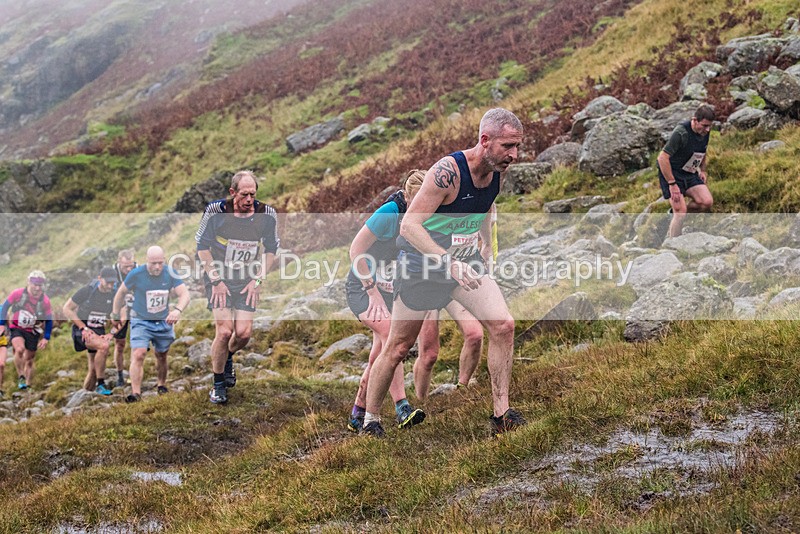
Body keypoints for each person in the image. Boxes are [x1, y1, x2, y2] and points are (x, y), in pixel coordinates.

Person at [362, 108, 527, 437]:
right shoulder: (446, 172)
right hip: (422, 267)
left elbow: (484, 208)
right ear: (485, 140)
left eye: (518, 146)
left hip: (465, 264)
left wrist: (486, 247)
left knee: (503, 325)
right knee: (397, 346)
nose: (515, 155)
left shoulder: (497, 170)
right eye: (509, 146)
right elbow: (409, 226)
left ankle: (501, 412)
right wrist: (447, 261)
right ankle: (370, 420)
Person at [345, 170, 484, 432]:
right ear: (408, 197)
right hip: (364, 286)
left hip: (395, 286)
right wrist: (372, 289)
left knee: (379, 352)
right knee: (390, 338)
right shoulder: (390, 212)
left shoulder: (430, 213)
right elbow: (355, 250)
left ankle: (358, 412)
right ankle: (402, 407)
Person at [196, 170, 279, 404]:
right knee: (224, 332)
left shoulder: (267, 214)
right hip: (218, 277)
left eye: (253, 194)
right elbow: (202, 248)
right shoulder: (216, 211)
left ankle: (228, 356)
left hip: (246, 280)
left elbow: (271, 250)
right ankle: (218, 384)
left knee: (242, 335)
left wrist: (258, 280)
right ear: (233, 192)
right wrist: (216, 281)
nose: (249, 200)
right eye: (244, 195)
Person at [111, 246, 190, 403]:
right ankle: (136, 393)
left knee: (161, 355)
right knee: (138, 353)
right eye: (153, 263)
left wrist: (177, 310)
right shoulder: (136, 274)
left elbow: (185, 293)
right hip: (141, 320)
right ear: (147, 261)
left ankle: (161, 385)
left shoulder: (170, 273)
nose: (157, 267)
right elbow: (121, 293)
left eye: (160, 263)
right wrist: (115, 313)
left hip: (162, 321)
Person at [657, 104, 715, 238]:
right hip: (672, 173)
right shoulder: (681, 133)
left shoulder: (704, 132)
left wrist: (703, 170)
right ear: (695, 120)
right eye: (705, 125)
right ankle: (673, 244)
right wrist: (672, 184)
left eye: (709, 126)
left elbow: (702, 150)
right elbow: (662, 158)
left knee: (706, 202)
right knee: (681, 212)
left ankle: (673, 213)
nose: (707, 129)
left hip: (689, 172)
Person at [63, 267, 118, 395]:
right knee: (104, 347)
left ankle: (85, 395)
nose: (110, 285)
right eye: (108, 282)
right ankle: (101, 384)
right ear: (100, 279)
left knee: (93, 369)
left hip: (99, 331)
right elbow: (67, 309)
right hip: (82, 331)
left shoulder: (114, 294)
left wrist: (112, 333)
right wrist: (83, 328)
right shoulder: (87, 291)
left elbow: (122, 316)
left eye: (113, 282)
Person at [0, 270, 53, 391]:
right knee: (19, 349)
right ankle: (21, 376)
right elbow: (5, 307)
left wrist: (46, 337)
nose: (37, 288)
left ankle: (27, 386)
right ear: (29, 283)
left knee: (29, 359)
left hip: (32, 331)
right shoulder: (17, 294)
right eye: (35, 284)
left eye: (40, 285)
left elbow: (49, 320)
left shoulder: (45, 301)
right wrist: (1, 324)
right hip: (16, 328)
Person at [111, 249, 137, 387]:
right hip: (119, 310)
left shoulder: (138, 269)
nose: (128, 269)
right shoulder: (112, 273)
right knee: (120, 344)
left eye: (130, 266)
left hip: (136, 310)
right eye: (125, 266)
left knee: (136, 344)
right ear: (118, 262)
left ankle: (135, 374)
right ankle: (120, 375)